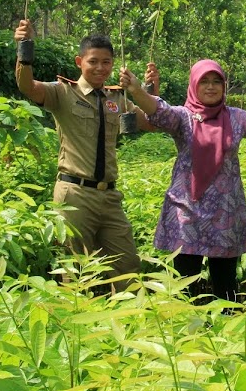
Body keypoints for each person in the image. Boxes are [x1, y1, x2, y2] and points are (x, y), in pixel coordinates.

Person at [119, 59, 246, 302]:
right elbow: (158, 112)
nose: (211, 87)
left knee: (226, 288)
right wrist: (138, 90)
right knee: (183, 286)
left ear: (224, 87)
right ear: (193, 84)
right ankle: (184, 336)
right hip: (187, 213)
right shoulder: (183, 117)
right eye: (204, 81)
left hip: (225, 214)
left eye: (216, 82)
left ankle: (228, 336)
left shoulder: (237, 118)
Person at [13, 19, 151, 291]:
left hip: (110, 197)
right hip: (75, 194)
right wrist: (24, 51)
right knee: (75, 273)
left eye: (107, 62)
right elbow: (28, 87)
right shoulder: (62, 93)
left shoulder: (118, 99)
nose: (100, 68)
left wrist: (145, 89)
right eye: (93, 61)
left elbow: (149, 121)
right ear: (80, 62)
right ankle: (77, 326)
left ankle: (126, 327)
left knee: (127, 267)